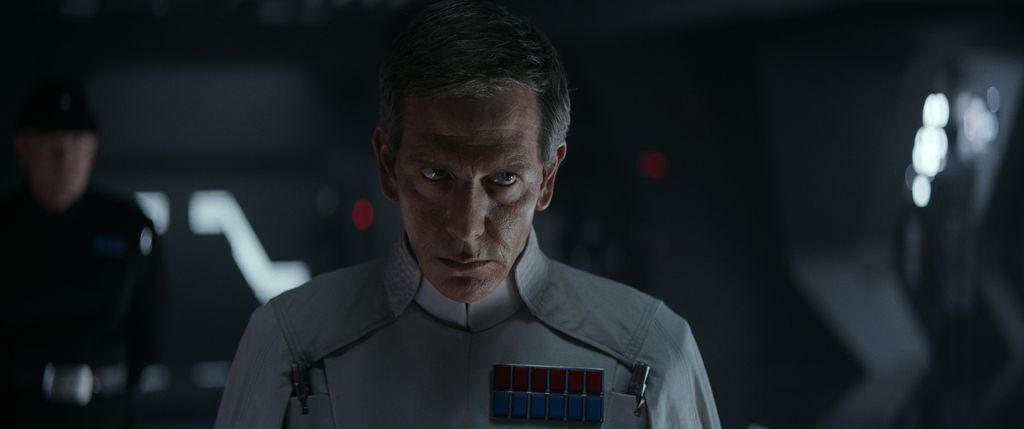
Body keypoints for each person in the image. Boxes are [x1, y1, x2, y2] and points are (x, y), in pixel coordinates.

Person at [215, 1, 720, 428]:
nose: (466, 227)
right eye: (437, 175)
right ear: (388, 167)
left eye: (504, 179)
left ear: (547, 178)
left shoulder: (649, 352)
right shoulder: (289, 346)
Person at [0, 79, 163, 429]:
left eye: (77, 143)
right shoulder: (6, 226)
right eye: (51, 145)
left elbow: (148, 336)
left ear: (93, 148)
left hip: (104, 415)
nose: (65, 159)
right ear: (23, 148)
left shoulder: (128, 227)